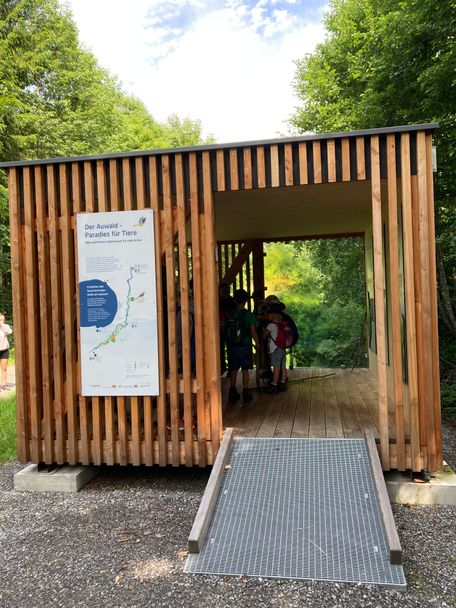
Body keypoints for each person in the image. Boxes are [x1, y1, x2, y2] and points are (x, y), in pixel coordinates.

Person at [226, 289, 258, 403]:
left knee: (234, 369)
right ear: (246, 301)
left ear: (234, 300)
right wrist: (258, 343)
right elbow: (253, 331)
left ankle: (232, 391)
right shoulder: (248, 315)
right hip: (245, 345)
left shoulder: (230, 313)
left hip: (232, 345)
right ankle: (245, 392)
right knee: (245, 369)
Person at [263, 303, 288, 394]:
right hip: (283, 349)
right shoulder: (282, 323)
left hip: (275, 350)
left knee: (276, 368)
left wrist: (263, 330)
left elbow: (264, 335)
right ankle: (283, 384)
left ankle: (274, 386)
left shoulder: (271, 325)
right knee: (283, 367)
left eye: (268, 314)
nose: (267, 316)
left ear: (273, 314)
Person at [219, 283, 235, 375]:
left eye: (227, 290)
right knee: (220, 348)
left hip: (229, 327)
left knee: (230, 349)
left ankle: (230, 370)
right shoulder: (218, 300)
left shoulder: (231, 301)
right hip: (221, 327)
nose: (226, 291)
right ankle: (222, 368)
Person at [0, 313, 12, 391]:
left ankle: (4, 385)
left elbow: (10, 332)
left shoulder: (5, 327)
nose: (1, 321)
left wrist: (2, 325)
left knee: (4, 368)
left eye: (3, 320)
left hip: (4, 350)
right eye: (0, 319)